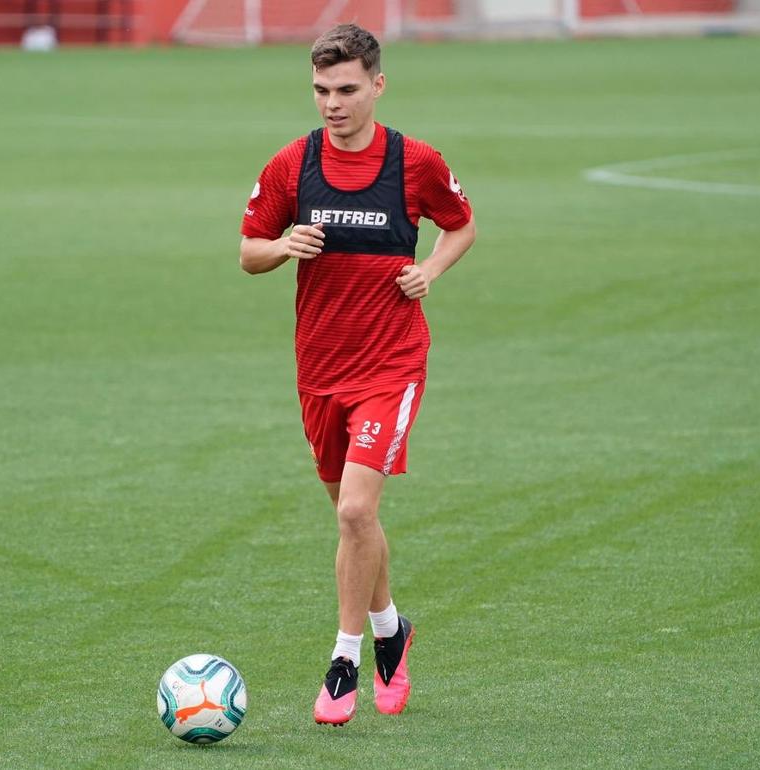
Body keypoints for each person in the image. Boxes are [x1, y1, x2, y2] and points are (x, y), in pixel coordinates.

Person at [239, 23, 476, 727]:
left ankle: (344, 661)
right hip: (319, 368)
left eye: (346, 89)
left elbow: (461, 224)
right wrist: (283, 245)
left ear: (377, 85)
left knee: (353, 510)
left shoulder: (414, 161)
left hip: (391, 364)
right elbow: (246, 252)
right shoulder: (293, 164)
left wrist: (428, 269)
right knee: (354, 521)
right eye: (320, 90)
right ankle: (390, 629)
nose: (332, 103)